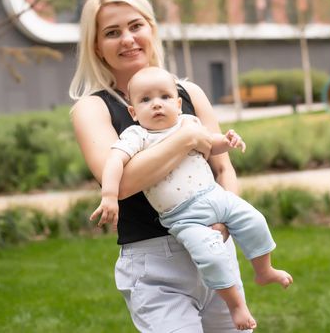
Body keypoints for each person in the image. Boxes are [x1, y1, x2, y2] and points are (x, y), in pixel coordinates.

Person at [68, 0, 257, 332]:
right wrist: (185, 138)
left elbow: (223, 168)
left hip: (213, 248)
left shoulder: (188, 94)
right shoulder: (92, 108)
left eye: (135, 26)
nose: (127, 39)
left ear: (151, 29)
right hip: (155, 265)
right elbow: (121, 185)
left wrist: (225, 222)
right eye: (112, 32)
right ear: (97, 45)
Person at [90, 66, 293, 330]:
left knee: (254, 219)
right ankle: (236, 307)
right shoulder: (137, 136)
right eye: (145, 100)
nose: (156, 105)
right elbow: (115, 162)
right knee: (211, 257)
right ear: (133, 112)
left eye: (164, 97)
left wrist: (228, 140)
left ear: (177, 103)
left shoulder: (188, 123)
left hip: (216, 196)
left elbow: (212, 144)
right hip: (183, 216)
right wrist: (108, 196)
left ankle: (264, 270)